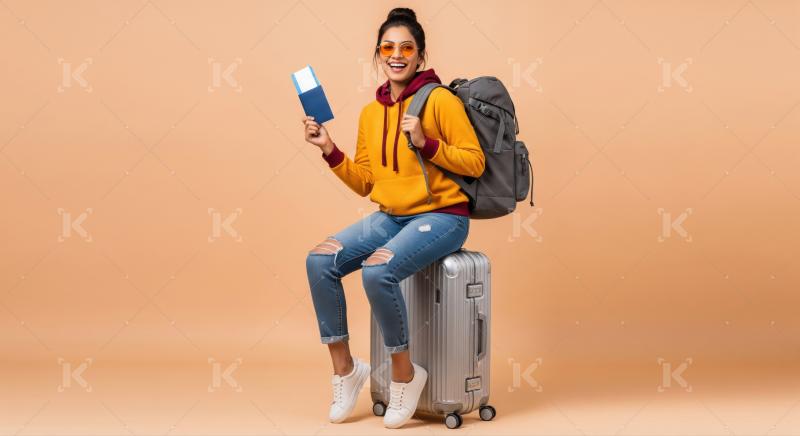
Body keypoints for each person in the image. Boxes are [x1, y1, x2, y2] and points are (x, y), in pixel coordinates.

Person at [302, 7, 484, 429]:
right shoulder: (371, 113)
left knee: (377, 270)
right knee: (319, 260)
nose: (396, 55)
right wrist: (329, 149)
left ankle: (405, 375)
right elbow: (367, 183)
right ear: (378, 54)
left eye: (406, 48)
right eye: (388, 48)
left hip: (443, 216)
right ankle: (347, 371)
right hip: (392, 216)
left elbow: (475, 162)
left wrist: (426, 141)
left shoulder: (440, 100)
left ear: (420, 56)